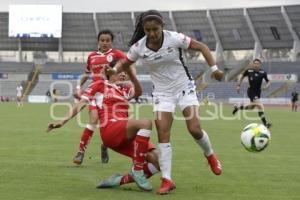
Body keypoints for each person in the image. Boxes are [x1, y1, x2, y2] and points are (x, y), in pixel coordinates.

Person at [106, 10, 223, 195]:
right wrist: (114, 70)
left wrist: (214, 69)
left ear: (163, 26)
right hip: (162, 94)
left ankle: (210, 155)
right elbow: (125, 63)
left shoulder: (175, 38)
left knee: (194, 129)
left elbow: (202, 47)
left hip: (184, 88)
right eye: (148, 30)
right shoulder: (139, 47)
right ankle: (166, 179)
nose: (152, 33)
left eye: (155, 29)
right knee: (163, 132)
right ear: (143, 29)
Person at [47, 65, 160, 192]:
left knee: (158, 161)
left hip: (125, 132)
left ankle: (118, 180)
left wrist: (132, 75)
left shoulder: (126, 88)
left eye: (125, 72)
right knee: (145, 123)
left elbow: (138, 92)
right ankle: (138, 169)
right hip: (110, 129)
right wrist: (62, 121)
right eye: (120, 71)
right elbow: (81, 103)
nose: (123, 74)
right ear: (110, 72)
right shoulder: (100, 85)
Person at [73, 29, 126, 165]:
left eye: (108, 40)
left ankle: (105, 145)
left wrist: (125, 80)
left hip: (110, 94)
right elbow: (86, 73)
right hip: (95, 93)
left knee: (109, 123)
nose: (105, 43)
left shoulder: (117, 54)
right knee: (94, 119)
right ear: (98, 41)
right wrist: (79, 87)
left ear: (111, 42)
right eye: (102, 40)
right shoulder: (92, 56)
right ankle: (80, 152)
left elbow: (128, 66)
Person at [233, 58, 272, 128]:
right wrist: (238, 85)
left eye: (258, 64)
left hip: (258, 92)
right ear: (253, 64)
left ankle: (238, 107)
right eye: (255, 63)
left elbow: (268, 81)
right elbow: (242, 76)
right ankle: (265, 123)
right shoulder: (249, 71)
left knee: (251, 107)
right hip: (251, 91)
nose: (256, 65)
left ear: (260, 65)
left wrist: (266, 86)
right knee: (260, 105)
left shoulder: (263, 73)